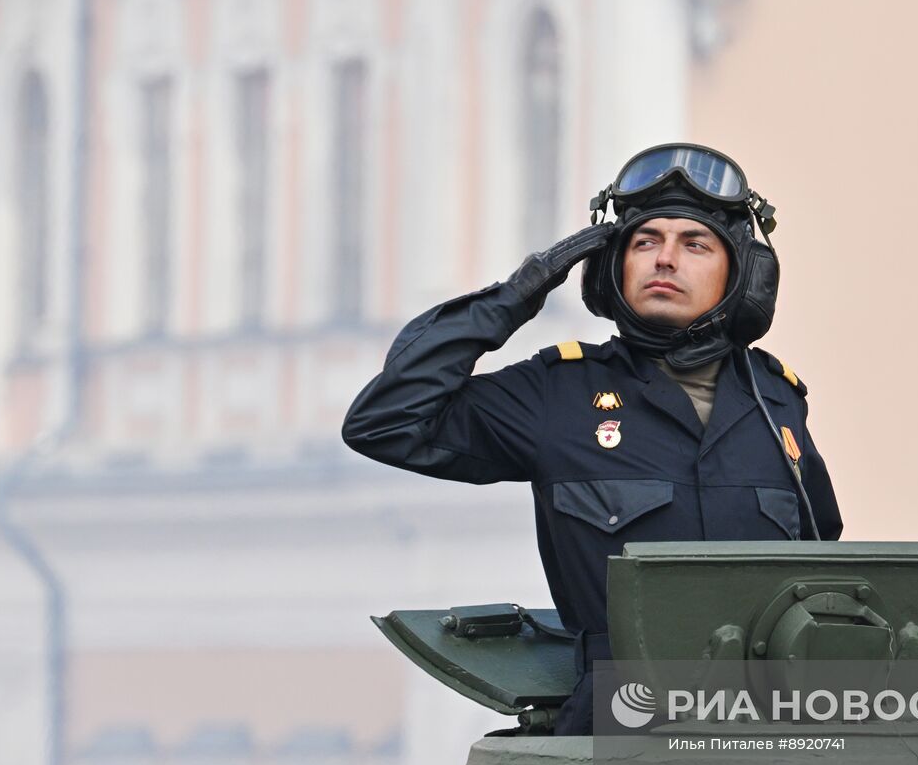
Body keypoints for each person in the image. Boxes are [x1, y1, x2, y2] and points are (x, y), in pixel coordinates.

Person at [343, 144, 842, 733]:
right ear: (612, 269)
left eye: (696, 245)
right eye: (645, 242)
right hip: (616, 738)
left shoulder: (777, 401)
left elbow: (822, 558)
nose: (666, 260)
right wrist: (513, 298)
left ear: (744, 275)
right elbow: (386, 420)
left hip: (774, 735)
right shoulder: (558, 394)